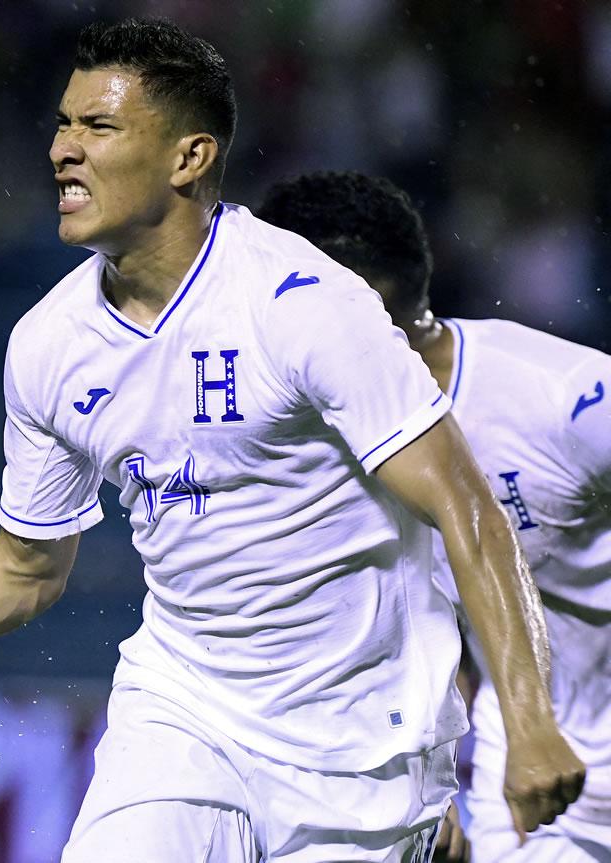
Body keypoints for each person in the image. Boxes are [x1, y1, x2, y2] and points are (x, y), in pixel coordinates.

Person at [0, 19, 584, 862]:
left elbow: (467, 506)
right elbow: (22, 569)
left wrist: (529, 724)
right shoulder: (49, 344)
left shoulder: (302, 303)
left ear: (189, 158)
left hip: (363, 749)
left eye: (98, 127)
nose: (63, 151)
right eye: (63, 124)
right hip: (187, 714)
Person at [257, 170, 610, 863]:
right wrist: (428, 777)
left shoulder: (563, 399)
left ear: (350, 303)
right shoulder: (312, 448)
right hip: (538, 785)